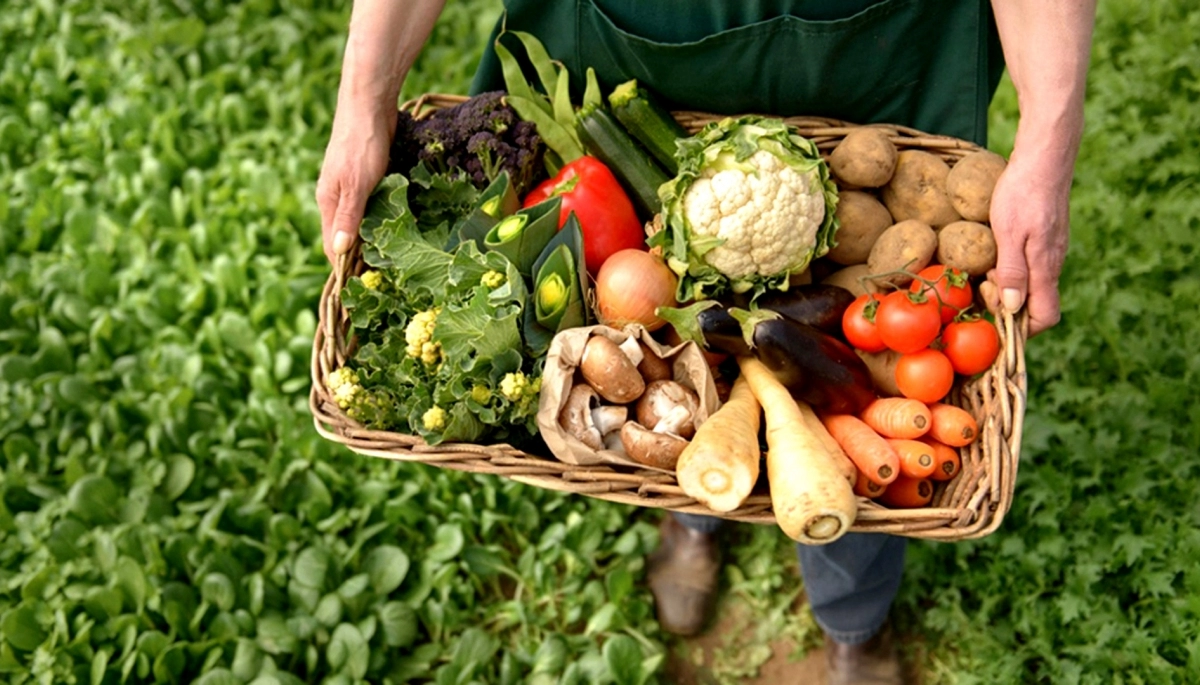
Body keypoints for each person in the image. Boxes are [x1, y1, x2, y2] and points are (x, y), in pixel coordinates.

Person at [317, 1, 1097, 682]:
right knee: (689, 372)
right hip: (626, 39)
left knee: (852, 407)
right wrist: (363, 100)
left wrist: (1052, 136)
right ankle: (695, 504)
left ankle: (851, 615)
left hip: (869, 49)